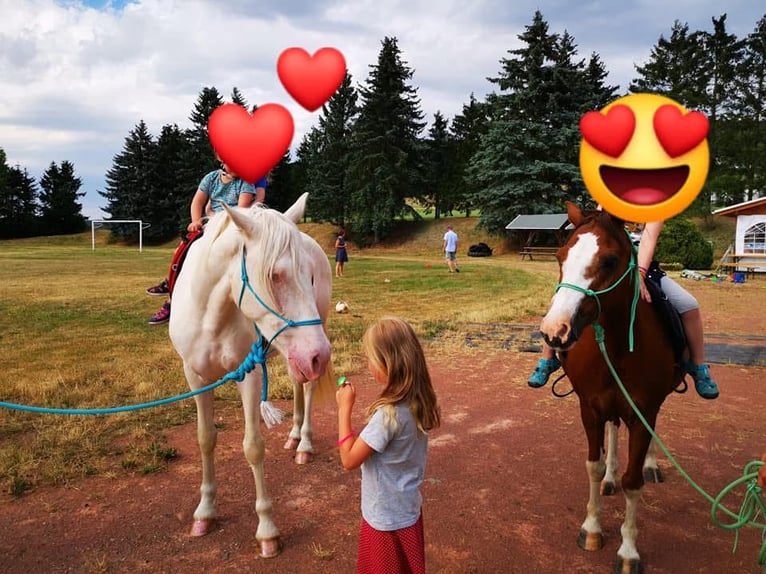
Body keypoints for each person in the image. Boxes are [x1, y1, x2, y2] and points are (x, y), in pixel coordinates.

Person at [528, 219, 720, 400]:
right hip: (608, 266)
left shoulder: (655, 206)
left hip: (643, 268)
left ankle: (697, 364)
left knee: (689, 305)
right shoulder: (607, 199)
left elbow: (649, 239)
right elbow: (595, 227)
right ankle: (548, 358)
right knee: (561, 301)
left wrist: (641, 274)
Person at [335, 316, 441, 574]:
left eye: (372, 358)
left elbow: (348, 460)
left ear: (388, 363)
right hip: (407, 512)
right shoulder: (418, 402)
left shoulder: (387, 416)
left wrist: (343, 409)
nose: (369, 364)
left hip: (384, 520)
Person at [145, 161, 266, 325]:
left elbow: (241, 209)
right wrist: (196, 221)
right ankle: (172, 291)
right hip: (211, 223)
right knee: (182, 250)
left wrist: (223, 222)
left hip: (232, 224)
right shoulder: (211, 178)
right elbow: (197, 202)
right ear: (222, 159)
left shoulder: (246, 182)